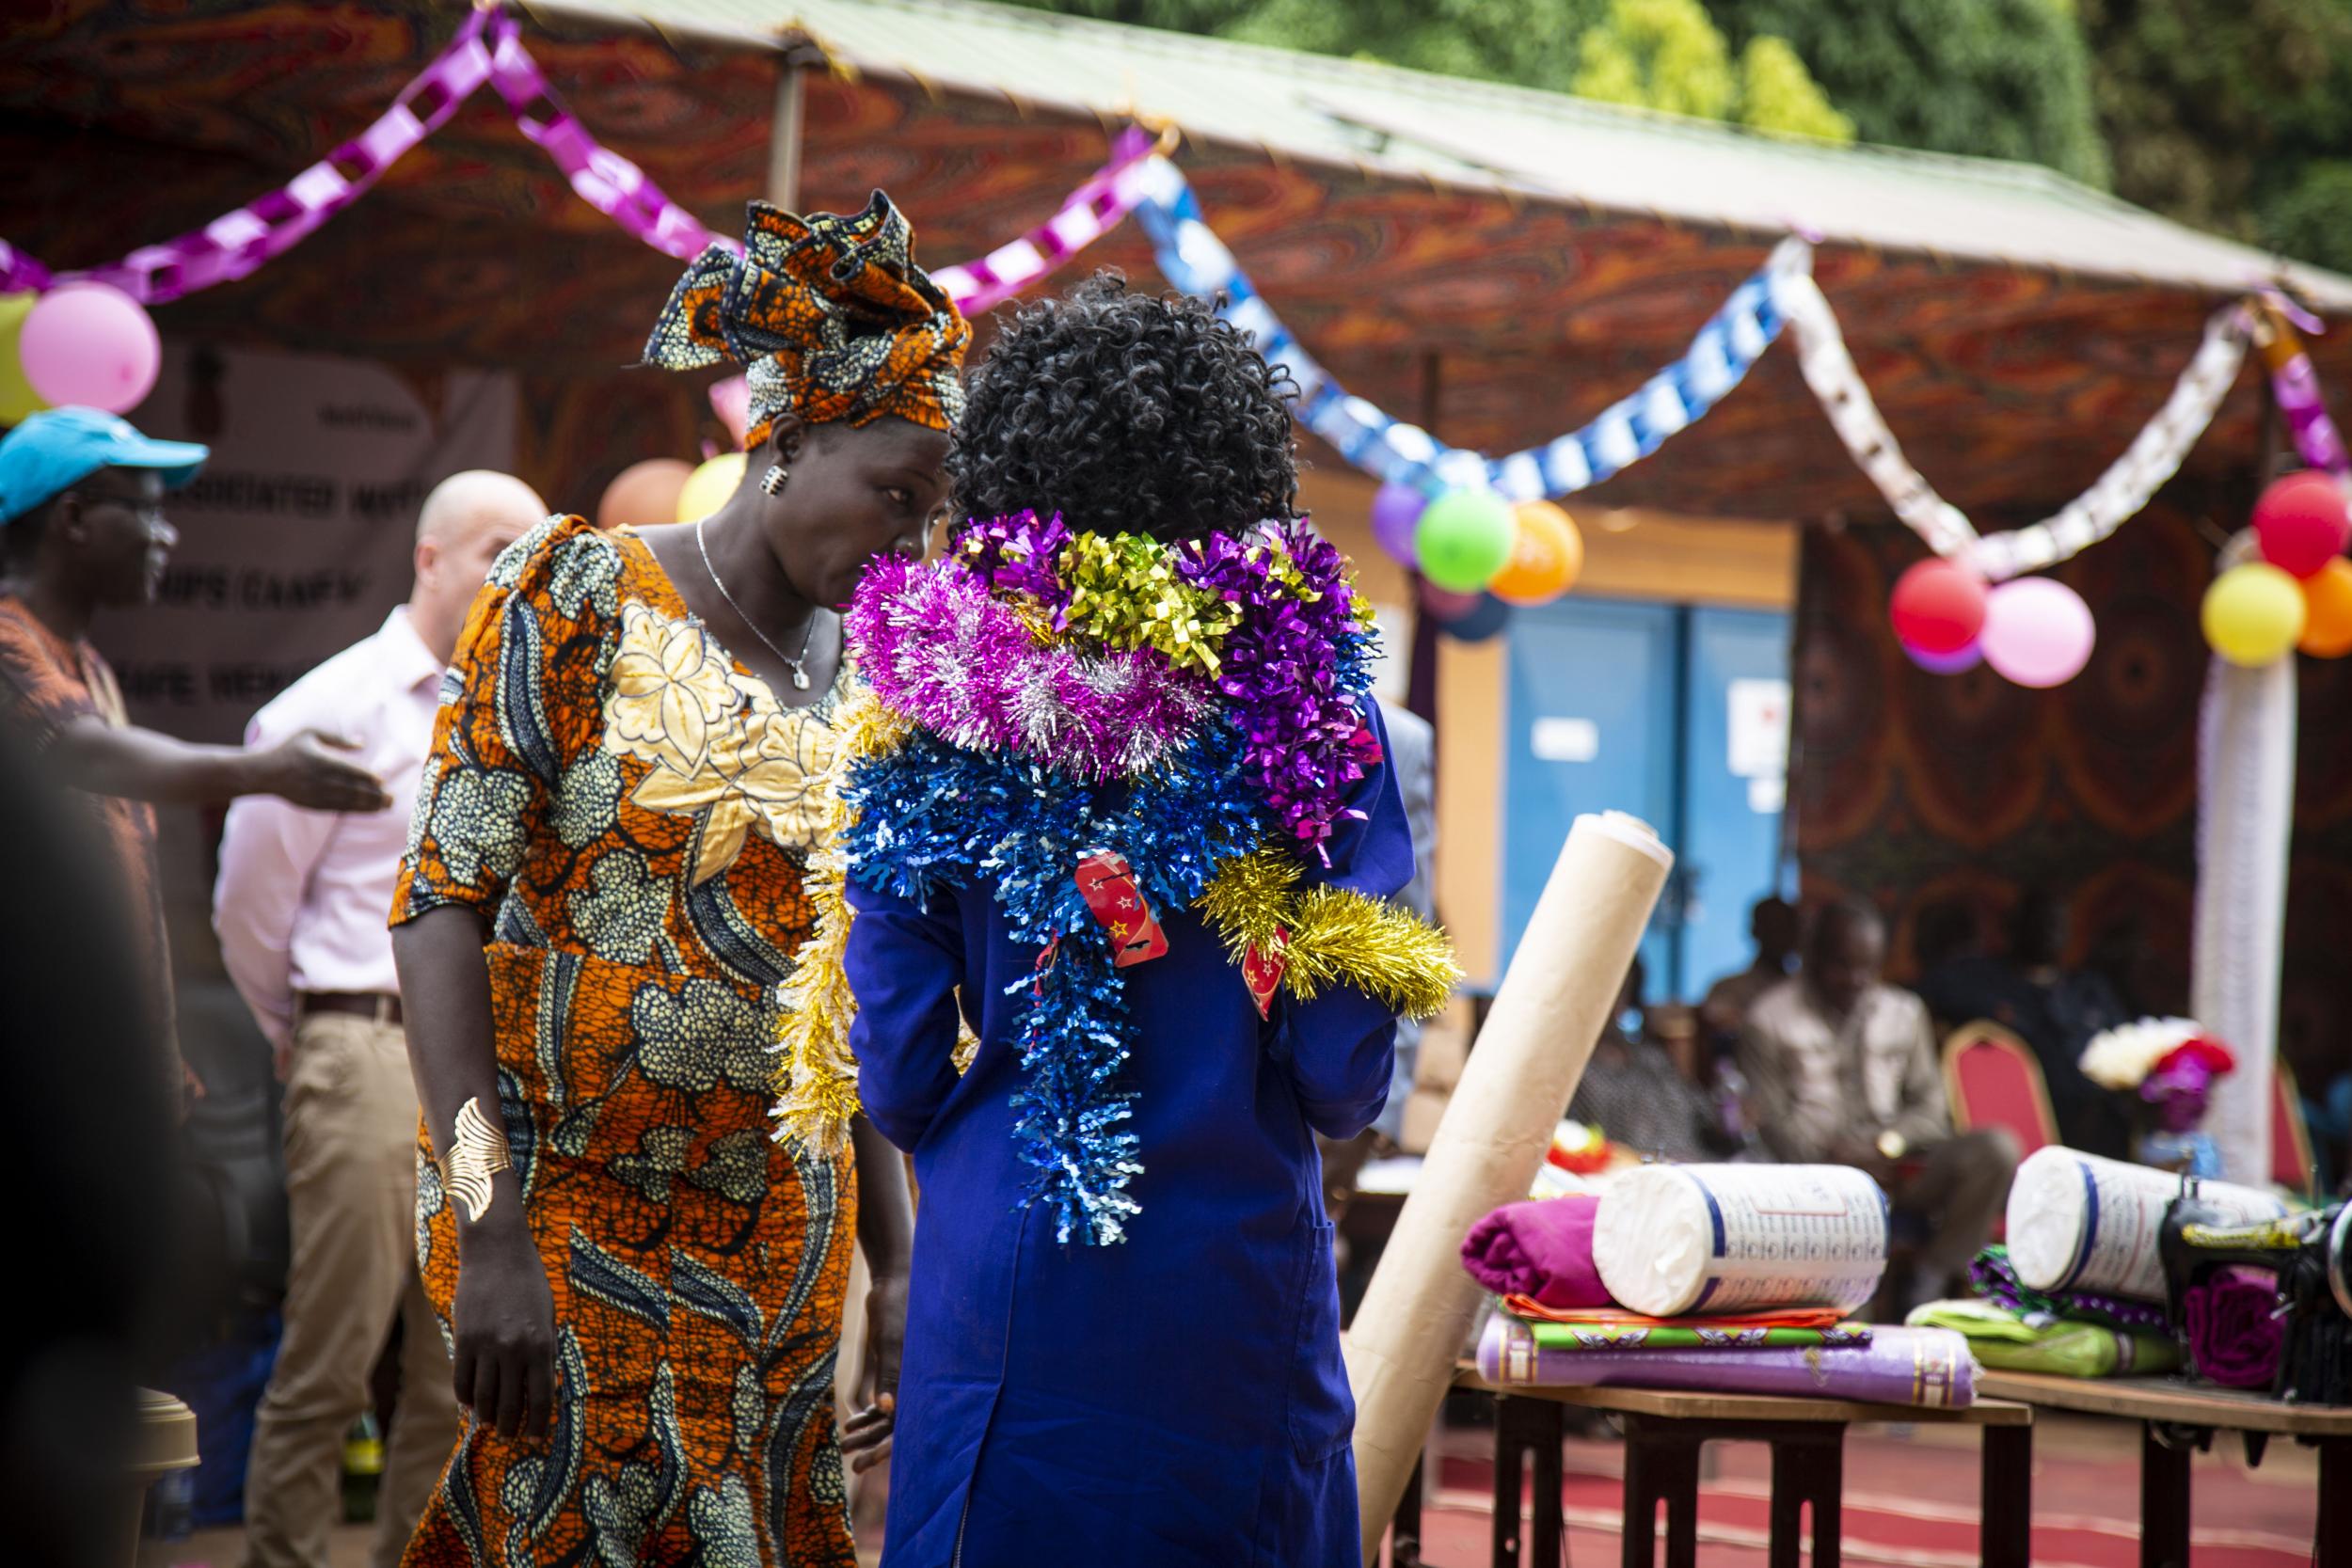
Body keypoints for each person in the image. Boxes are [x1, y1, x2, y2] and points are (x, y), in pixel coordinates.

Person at [836, 276, 1456, 1566]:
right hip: (1224, 1302)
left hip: (998, 1286)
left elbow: (892, 1070)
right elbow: (1345, 1082)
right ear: (1242, 486)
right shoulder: (1321, 725)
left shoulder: (929, 707)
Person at [389, 193, 958, 1565]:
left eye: (935, 516)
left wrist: (895, 1256)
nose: (912, 544)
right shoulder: (575, 591)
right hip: (564, 1216)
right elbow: (437, 908)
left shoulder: (880, 677)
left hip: (782, 1236)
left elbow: (852, 980)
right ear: (793, 438)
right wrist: (493, 1227)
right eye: (896, 493)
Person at [215, 469, 545, 1568]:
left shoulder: (524, 711)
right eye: (496, 545)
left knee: (455, 1364)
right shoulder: (329, 707)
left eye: (532, 550)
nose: (515, 571)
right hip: (360, 1046)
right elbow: (249, 911)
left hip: (476, 1074)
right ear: (429, 557)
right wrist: (314, 1025)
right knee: (331, 1354)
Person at [0, 406, 390, 1101]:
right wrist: (267, 771)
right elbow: (90, 755)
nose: (167, 533)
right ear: (75, 519)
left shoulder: (87, 667)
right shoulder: (6, 645)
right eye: (145, 512)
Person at [1740, 901, 2018, 1315]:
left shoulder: (1904, 1012)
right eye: (1841, 966)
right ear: (1812, 955)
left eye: (1867, 968)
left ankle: (1934, 1275)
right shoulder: (1768, 1019)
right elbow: (1772, 1124)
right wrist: (1842, 1166)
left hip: (1898, 1167)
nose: (1855, 980)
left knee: (1997, 1149)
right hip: (1820, 1180)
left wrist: (1886, 1144)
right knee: (1851, 1323)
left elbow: (1932, 1110)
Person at [1915, 886, 2131, 1157]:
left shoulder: (2088, 989)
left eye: (2058, 923)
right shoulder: (1977, 979)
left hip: (2094, 1123)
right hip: (2016, 1123)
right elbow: (1924, 1003)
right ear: (2013, 927)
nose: (2050, 931)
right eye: (2040, 922)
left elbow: (2124, 1044)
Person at [1569, 956, 1737, 1164]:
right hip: (1633, 1175)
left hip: (1695, 1166)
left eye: (1622, 991)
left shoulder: (1652, 1058)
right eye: (1602, 991)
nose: (1613, 1002)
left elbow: (1706, 1117)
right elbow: (1579, 1145)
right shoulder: (1574, 1073)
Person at [1697, 894, 1800, 1056]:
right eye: (1772, 927)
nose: (1779, 936)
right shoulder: (1727, 989)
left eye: (1786, 928)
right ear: (1755, 931)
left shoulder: (1804, 990)